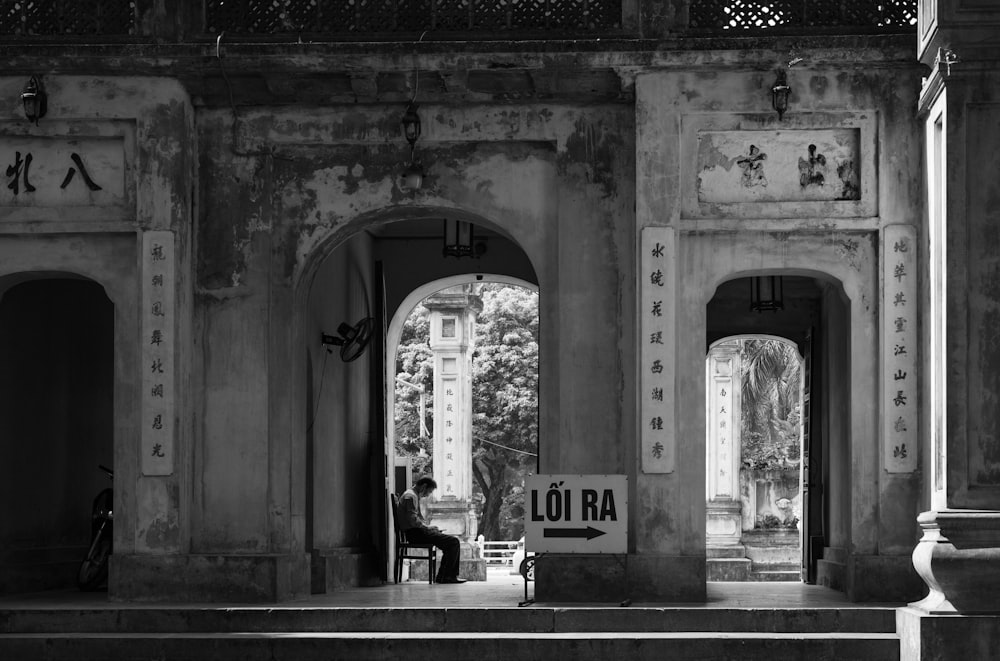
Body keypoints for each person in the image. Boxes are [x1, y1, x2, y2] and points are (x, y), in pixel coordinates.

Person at [398, 477, 466, 584]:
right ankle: (447, 576)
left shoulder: (413, 495)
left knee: (448, 542)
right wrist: (427, 528)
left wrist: (429, 528)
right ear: (424, 487)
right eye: (429, 492)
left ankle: (444, 576)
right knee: (453, 542)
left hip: (417, 532)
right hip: (415, 534)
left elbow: (415, 520)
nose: (428, 495)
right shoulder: (410, 496)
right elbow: (413, 521)